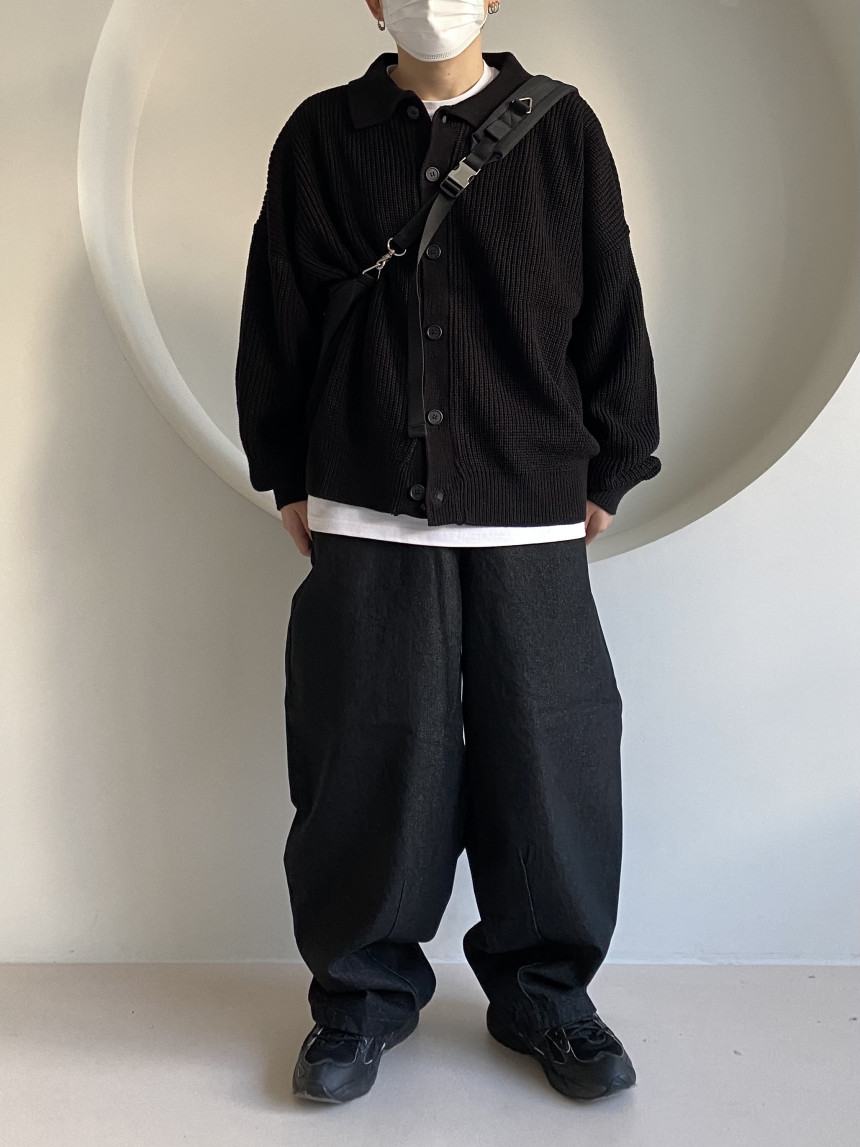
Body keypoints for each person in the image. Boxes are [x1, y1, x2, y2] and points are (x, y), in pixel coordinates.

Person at [235, 0, 661, 1106]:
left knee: (552, 755)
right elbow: (277, 310)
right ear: (373, 4)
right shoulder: (321, 135)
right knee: (367, 754)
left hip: (528, 497)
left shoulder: (562, 129)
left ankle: (546, 995)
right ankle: (359, 997)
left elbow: (609, 295)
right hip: (364, 495)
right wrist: (286, 473)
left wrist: (613, 459)